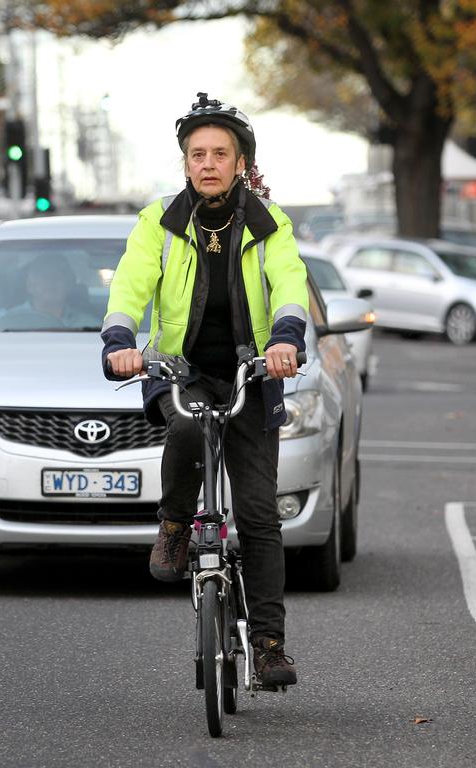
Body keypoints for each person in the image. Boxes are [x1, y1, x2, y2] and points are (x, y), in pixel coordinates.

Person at [101, 93, 308, 688]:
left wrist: (286, 339)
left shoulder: (270, 222)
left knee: (260, 515)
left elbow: (288, 283)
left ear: (241, 162)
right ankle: (173, 523)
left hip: (253, 372)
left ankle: (269, 646)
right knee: (188, 424)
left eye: (221, 153)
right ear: (186, 162)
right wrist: (119, 340)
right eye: (198, 154)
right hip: (183, 371)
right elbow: (130, 288)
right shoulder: (160, 222)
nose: (209, 163)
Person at [0, 255, 98, 330]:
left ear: (69, 284)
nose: (51, 281)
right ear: (29, 285)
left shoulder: (92, 326)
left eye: (58, 275)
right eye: (44, 276)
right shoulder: (3, 321)